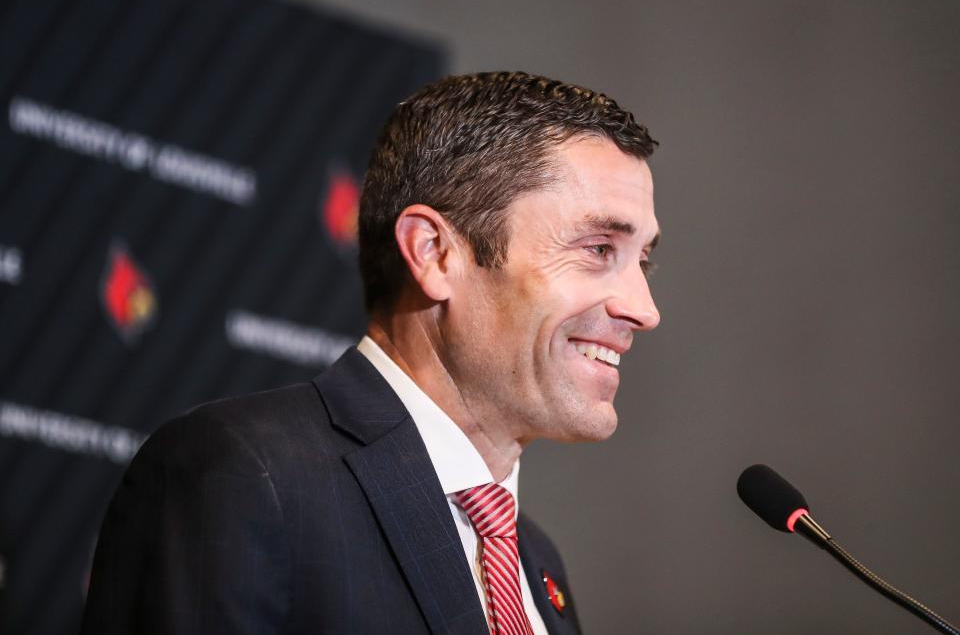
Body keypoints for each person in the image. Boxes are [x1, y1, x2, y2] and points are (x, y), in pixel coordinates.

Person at [81, 71, 661, 635]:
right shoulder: (246, 475)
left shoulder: (535, 559)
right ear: (434, 253)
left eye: (644, 261)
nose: (644, 308)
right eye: (598, 248)